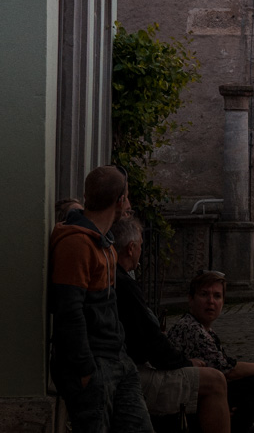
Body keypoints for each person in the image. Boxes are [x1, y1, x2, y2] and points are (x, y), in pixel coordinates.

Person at [48, 165, 154, 433]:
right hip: (94, 365)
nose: (129, 204)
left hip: (117, 358)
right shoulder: (76, 243)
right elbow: (68, 311)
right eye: (127, 197)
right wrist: (85, 370)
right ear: (120, 201)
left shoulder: (103, 241)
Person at [113, 216, 231, 433]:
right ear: (131, 248)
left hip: (127, 364)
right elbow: (152, 343)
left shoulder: (119, 278)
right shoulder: (123, 283)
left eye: (217, 296)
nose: (141, 251)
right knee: (215, 381)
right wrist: (184, 363)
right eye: (140, 245)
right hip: (130, 371)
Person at [168, 272, 254, 433]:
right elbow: (228, 370)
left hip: (201, 399)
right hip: (184, 408)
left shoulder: (204, 329)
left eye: (217, 296)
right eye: (204, 294)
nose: (211, 301)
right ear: (191, 299)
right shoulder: (190, 328)